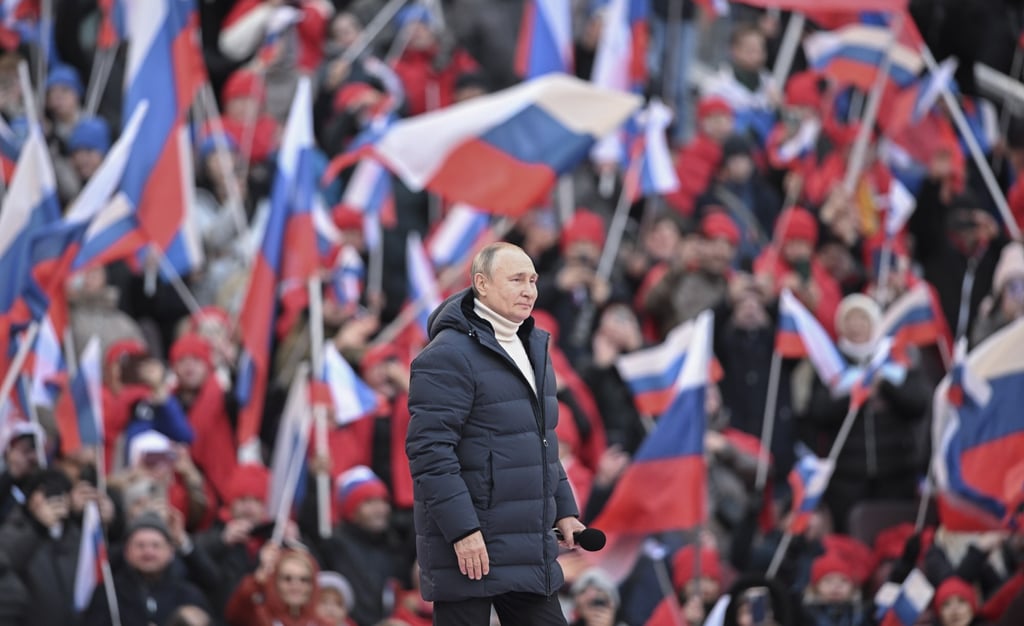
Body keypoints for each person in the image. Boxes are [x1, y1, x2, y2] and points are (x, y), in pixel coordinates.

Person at [405, 242, 585, 625]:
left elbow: (541, 441)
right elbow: (430, 451)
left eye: (533, 280)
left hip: (528, 546)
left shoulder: (535, 346)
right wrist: (462, 531)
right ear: (481, 284)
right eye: (517, 279)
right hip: (470, 549)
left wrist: (565, 507)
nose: (529, 290)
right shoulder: (446, 355)